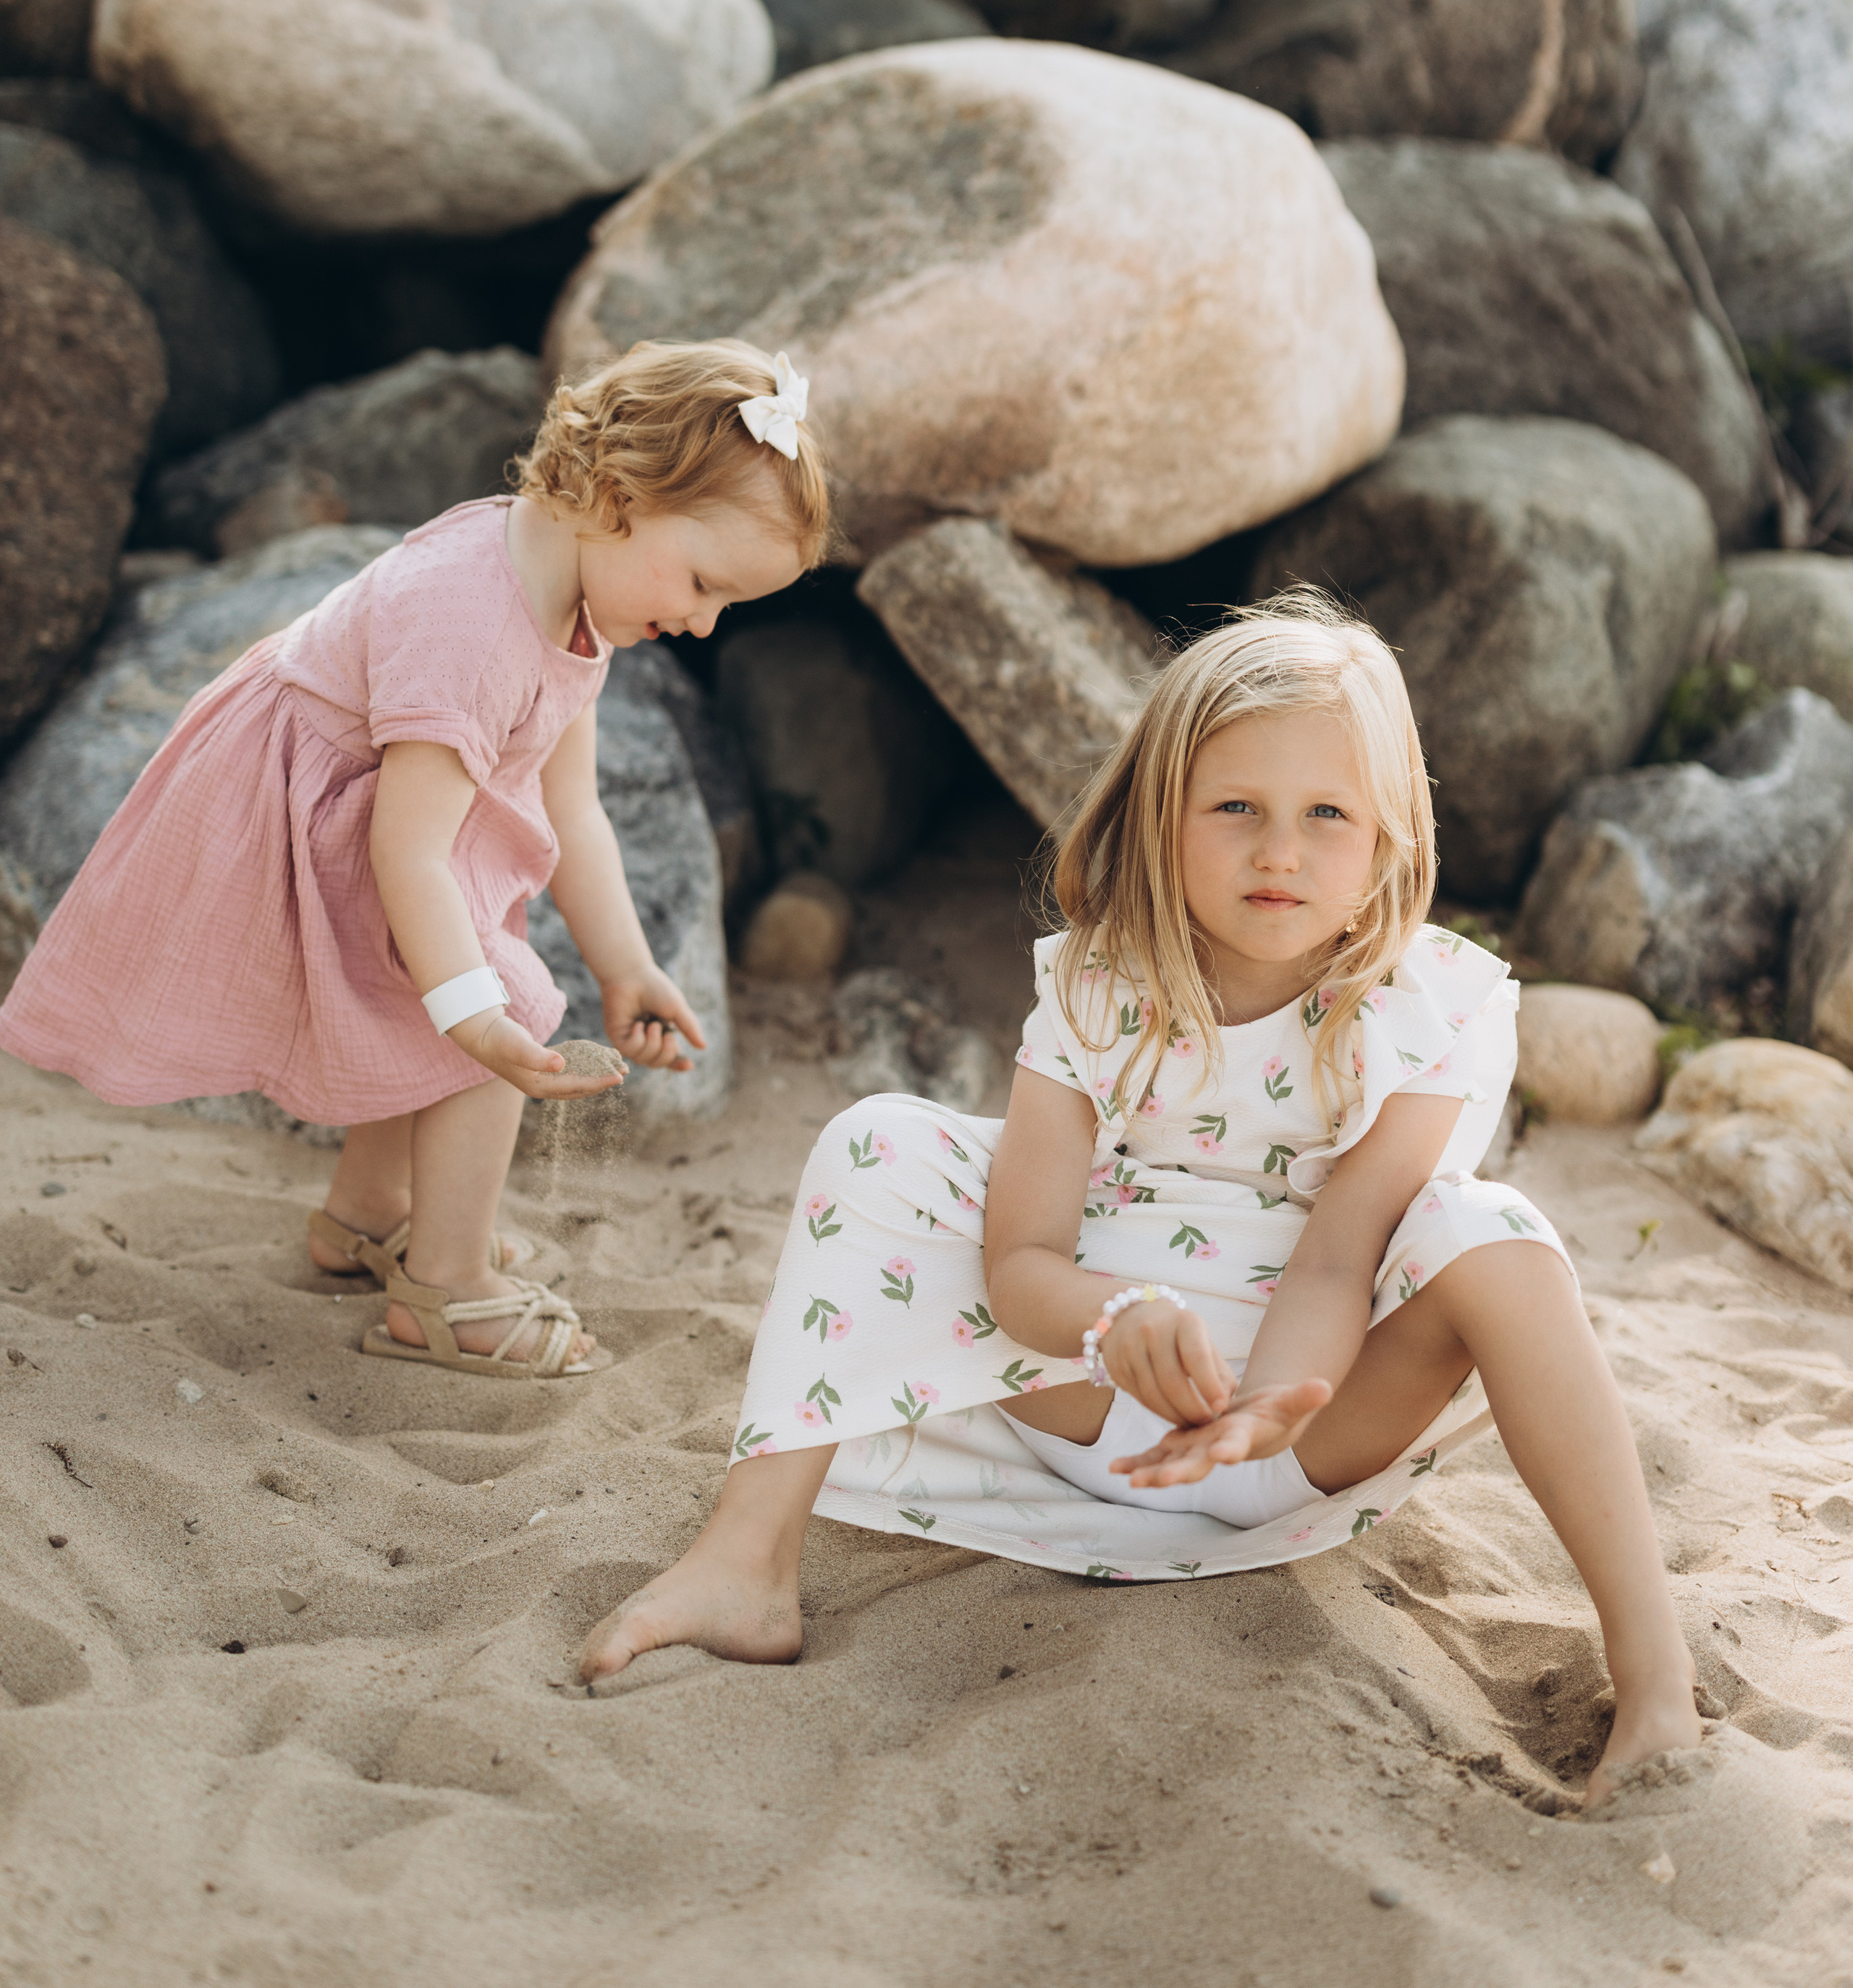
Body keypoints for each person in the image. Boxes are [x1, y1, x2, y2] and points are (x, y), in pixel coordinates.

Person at [578, 590, 1701, 1804]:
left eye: (1328, 813)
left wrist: (1263, 1413)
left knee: (1493, 1229)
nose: (1281, 850)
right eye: (1236, 809)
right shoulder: (1100, 986)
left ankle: (1655, 1682)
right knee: (881, 1139)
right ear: (1163, 820)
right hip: (1089, 1407)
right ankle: (748, 1562)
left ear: (1388, 837)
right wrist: (1114, 1323)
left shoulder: (1438, 1009)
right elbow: (1021, 1264)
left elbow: (1339, 1254)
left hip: (1305, 1425)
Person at [0, 339, 828, 1379]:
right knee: (497, 1014)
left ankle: (369, 1214)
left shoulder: (579, 588)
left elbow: (572, 805)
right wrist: (473, 1013)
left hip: (397, 823)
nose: (705, 623)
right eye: (705, 583)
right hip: (315, 817)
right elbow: (408, 853)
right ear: (616, 494)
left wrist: (627, 966)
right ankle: (448, 1294)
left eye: (728, 606)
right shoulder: (469, 619)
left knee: (433, 1010)